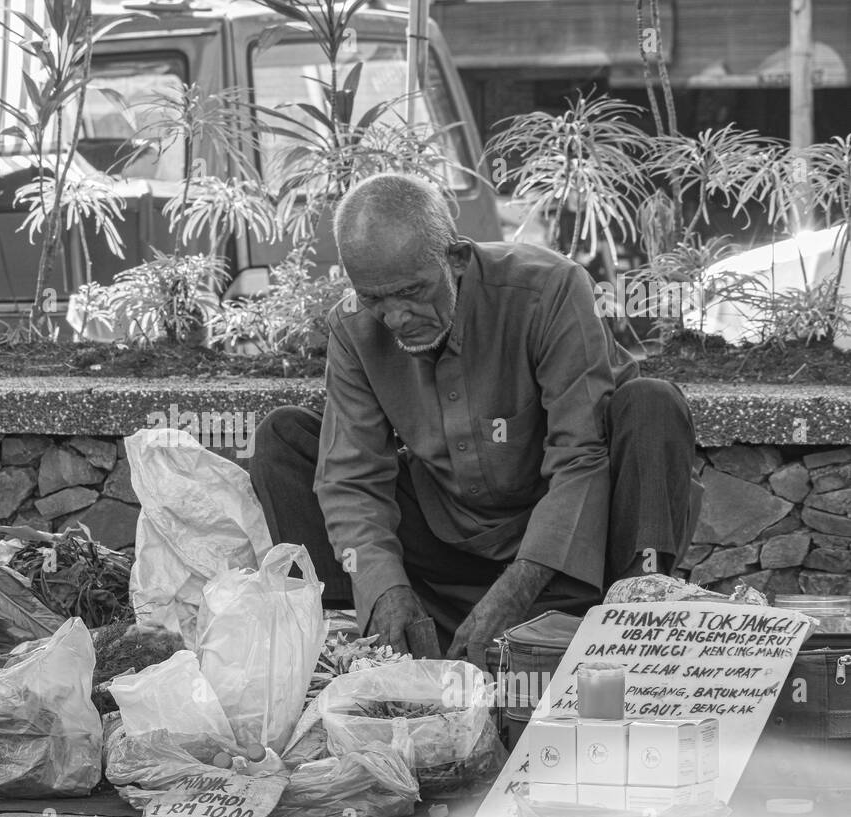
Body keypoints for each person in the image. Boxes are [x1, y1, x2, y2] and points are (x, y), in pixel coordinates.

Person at [249, 172, 701, 670]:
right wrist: (384, 590)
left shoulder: (550, 287)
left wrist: (515, 590)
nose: (397, 317)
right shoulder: (354, 326)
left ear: (457, 259)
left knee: (652, 404)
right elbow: (351, 478)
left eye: (412, 291)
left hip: (571, 549)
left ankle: (636, 629)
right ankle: (352, 652)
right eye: (376, 299)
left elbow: (581, 456)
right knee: (285, 438)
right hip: (450, 540)